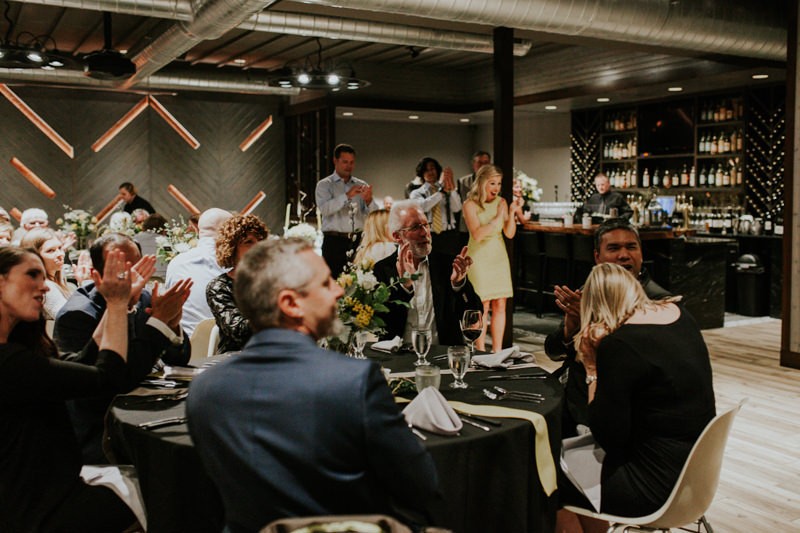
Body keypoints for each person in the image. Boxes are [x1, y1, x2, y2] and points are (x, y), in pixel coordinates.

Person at [187, 238, 440, 532]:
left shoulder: (204, 389)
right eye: (325, 283)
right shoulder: (353, 381)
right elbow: (420, 485)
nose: (339, 290)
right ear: (291, 304)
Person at [556, 263, 715, 531]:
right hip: (697, 475)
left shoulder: (619, 345)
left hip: (654, 488)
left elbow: (607, 438)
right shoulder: (680, 315)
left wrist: (592, 368)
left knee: (544, 477)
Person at [0, 246, 141, 532]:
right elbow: (108, 377)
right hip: (34, 510)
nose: (43, 286)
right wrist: (116, 305)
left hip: (38, 493)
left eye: (43, 276)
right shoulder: (9, 362)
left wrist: (118, 305)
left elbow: (81, 368)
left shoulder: (16, 352)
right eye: (32, 275)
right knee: (164, 487)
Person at [54, 233, 192, 462]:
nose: (132, 277)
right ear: (96, 275)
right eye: (120, 270)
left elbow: (180, 359)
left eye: (137, 267)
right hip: (103, 431)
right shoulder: (78, 314)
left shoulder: (146, 297)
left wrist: (173, 323)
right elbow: (117, 381)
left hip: (149, 407)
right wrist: (158, 322)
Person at [545, 218, 671, 437]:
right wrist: (571, 328)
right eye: (614, 248)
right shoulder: (590, 290)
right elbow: (553, 352)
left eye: (631, 247)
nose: (624, 255)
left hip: (613, 414)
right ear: (597, 257)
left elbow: (640, 366)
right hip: (569, 399)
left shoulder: (660, 303)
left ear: (641, 253)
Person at [373, 200, 480, 345]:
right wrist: (406, 287)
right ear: (398, 236)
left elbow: (474, 316)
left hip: (442, 356)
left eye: (426, 225)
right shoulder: (382, 269)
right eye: (416, 227)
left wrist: (459, 285)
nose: (425, 233)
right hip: (399, 358)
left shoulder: (447, 264)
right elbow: (382, 324)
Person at [462, 165, 524, 352]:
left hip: (498, 256)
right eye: (492, 183)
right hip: (479, 258)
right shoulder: (470, 205)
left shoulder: (502, 202)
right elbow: (478, 234)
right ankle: (480, 351)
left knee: (500, 304)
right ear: (482, 183)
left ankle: (497, 351)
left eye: (498, 183)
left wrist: (511, 212)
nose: (496, 188)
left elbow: (509, 233)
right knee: (482, 304)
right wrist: (497, 218)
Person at [206, 213, 269, 353]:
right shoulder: (219, 287)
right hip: (237, 359)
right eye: (248, 242)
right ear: (232, 248)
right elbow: (238, 331)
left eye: (260, 240)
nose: (257, 247)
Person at [315, 144, 379, 277]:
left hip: (358, 241)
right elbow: (325, 209)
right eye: (345, 162)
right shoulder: (324, 185)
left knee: (359, 281)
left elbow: (374, 216)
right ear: (335, 161)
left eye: (351, 162)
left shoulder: (361, 185)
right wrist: (347, 195)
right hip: (334, 241)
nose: (348, 166)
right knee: (333, 282)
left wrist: (369, 201)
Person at [166, 208, 232, 336]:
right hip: (226, 348)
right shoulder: (232, 265)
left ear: (197, 230)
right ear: (228, 231)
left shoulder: (176, 263)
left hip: (186, 346)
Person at [409, 157, 463, 257]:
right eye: (426, 170)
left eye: (432, 168)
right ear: (421, 173)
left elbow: (457, 208)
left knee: (452, 269)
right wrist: (441, 192)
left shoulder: (447, 188)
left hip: (449, 235)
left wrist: (451, 189)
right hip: (429, 236)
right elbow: (423, 207)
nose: (430, 172)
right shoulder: (417, 193)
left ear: (437, 170)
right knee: (433, 270)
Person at [20, 228, 77, 319]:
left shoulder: (57, 280)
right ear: (34, 257)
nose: (60, 254)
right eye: (51, 251)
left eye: (60, 248)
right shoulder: (46, 287)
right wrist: (85, 283)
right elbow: (70, 320)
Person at [457, 150, 491, 245]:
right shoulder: (462, 182)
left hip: (487, 227)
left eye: (486, 163)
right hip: (467, 228)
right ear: (473, 164)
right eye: (479, 162)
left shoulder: (495, 181)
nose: (483, 166)